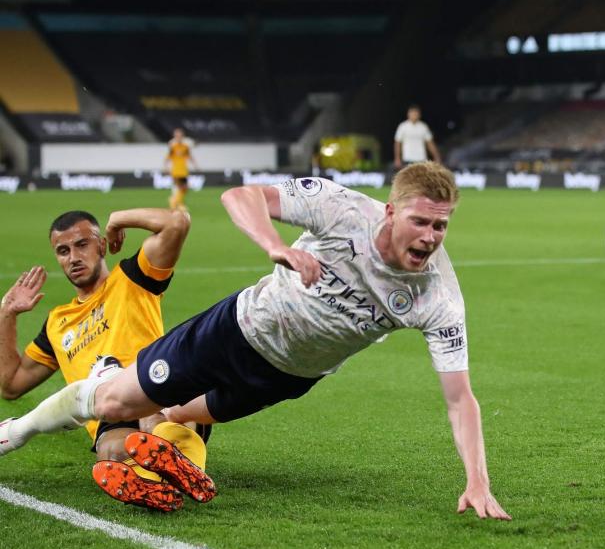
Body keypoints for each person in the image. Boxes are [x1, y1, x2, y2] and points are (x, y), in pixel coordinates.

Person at [0, 162, 510, 521]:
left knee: (181, 416)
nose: (430, 237)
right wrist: (275, 246)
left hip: (285, 377)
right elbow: (239, 196)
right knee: (113, 398)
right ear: (390, 211)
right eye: (420, 221)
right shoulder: (341, 208)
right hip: (234, 331)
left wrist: (478, 480)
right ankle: (19, 430)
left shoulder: (438, 297)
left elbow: (460, 398)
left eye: (441, 226)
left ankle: (151, 467)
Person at [0, 207, 212, 511]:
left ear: (102, 245)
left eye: (82, 244)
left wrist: (118, 220)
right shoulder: (56, 323)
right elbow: (11, 385)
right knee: (111, 451)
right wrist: (6, 314)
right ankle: (161, 476)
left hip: (155, 382)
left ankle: (170, 466)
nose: (72, 257)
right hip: (107, 408)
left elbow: (176, 223)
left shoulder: (133, 277)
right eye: (63, 251)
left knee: (155, 416)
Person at [165, 128, 196, 210]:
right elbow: (167, 158)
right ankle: (175, 203)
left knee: (185, 188)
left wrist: (195, 165)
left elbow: (190, 156)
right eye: (177, 135)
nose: (178, 137)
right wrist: (166, 167)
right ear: (174, 136)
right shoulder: (173, 146)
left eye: (180, 135)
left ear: (182, 136)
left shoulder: (185, 147)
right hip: (176, 170)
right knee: (179, 187)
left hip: (184, 170)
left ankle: (177, 202)